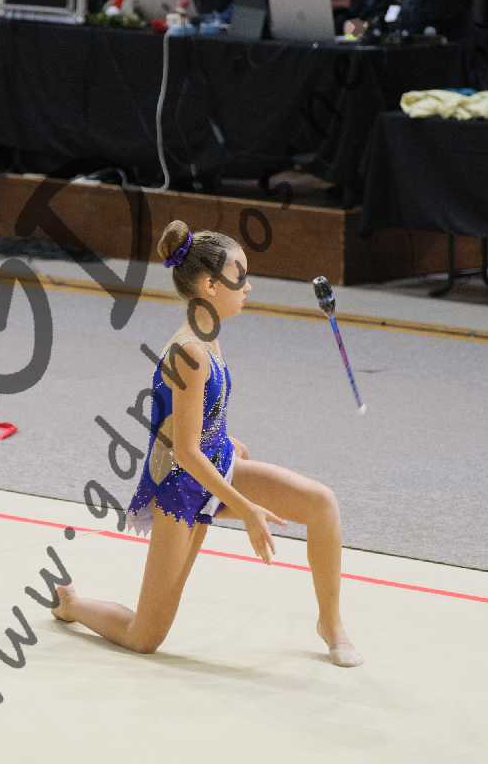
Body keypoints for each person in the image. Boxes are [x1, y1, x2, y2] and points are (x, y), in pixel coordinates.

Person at [51, 221, 363, 668]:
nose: (249, 286)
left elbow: (193, 422)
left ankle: (331, 625)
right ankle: (73, 604)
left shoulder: (209, 333)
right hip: (180, 488)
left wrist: (225, 440)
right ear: (211, 286)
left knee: (322, 503)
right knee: (145, 636)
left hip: (215, 466)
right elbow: (184, 452)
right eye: (240, 275)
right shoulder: (191, 352)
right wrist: (248, 510)